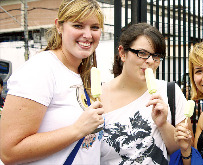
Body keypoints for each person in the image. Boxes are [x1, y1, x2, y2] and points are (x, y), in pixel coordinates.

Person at [0, 0, 105, 164]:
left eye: (94, 27)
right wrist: (77, 129)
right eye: (78, 26)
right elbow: (9, 152)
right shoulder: (40, 69)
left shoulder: (82, 73)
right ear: (59, 26)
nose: (88, 35)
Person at [99, 22, 188, 164]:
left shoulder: (170, 92)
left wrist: (163, 124)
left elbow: (182, 151)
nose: (151, 61)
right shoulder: (97, 97)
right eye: (143, 53)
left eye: (156, 55)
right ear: (122, 53)